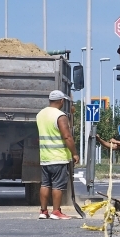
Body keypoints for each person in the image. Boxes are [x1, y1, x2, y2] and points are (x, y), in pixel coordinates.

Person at [36, 90, 79, 220]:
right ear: (61, 101)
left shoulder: (40, 114)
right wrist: (75, 153)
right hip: (58, 157)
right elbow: (67, 136)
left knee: (45, 185)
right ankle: (56, 211)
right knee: (57, 185)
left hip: (45, 156)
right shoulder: (60, 116)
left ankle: (43, 211)